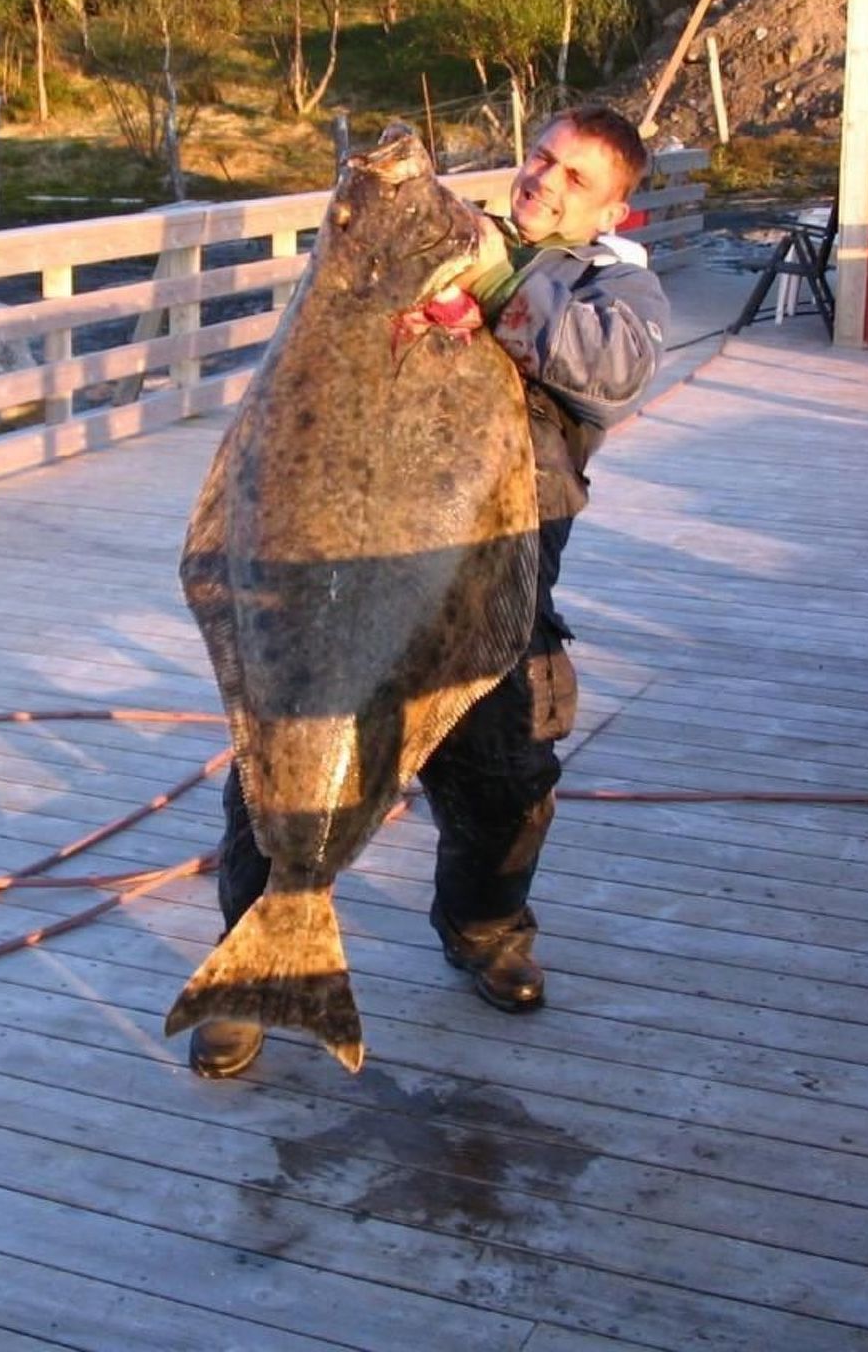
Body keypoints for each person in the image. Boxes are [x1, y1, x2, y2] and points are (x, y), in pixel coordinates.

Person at [192, 104, 672, 1078]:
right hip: (341, 575)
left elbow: (611, 375)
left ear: (614, 213)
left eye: (577, 179)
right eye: (541, 158)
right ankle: (252, 959)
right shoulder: (445, 239)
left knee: (506, 781)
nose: (544, 180)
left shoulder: (611, 293)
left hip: (490, 594)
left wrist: (501, 284)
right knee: (277, 772)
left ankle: (484, 932)